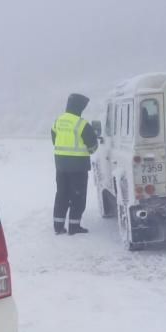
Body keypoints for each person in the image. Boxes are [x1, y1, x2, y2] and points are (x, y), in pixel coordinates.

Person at [51, 93, 98, 235]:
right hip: (78, 167)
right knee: (77, 196)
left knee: (62, 194)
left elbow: (54, 140)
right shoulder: (82, 124)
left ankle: (58, 227)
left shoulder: (58, 121)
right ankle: (74, 226)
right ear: (79, 107)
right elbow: (92, 146)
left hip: (61, 165)